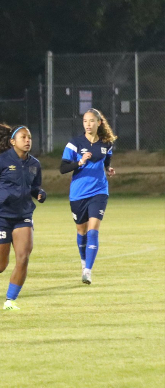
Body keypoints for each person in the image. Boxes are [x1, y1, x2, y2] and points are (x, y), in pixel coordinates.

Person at [0, 121, 46, 310]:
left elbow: (34, 186)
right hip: (0, 217)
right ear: (13, 141)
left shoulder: (34, 164)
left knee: (23, 257)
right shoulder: (1, 160)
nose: (27, 140)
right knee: (0, 266)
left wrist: (39, 193)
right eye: (23, 137)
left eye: (29, 137)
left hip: (23, 216)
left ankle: (10, 300)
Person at [60, 108, 116, 284]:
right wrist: (80, 162)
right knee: (81, 231)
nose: (88, 124)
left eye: (91, 121)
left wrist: (108, 169)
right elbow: (63, 168)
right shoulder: (74, 143)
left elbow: (106, 159)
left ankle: (88, 271)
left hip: (99, 192)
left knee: (93, 231)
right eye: (85, 121)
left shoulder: (107, 143)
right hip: (78, 194)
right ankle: (84, 262)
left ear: (99, 123)